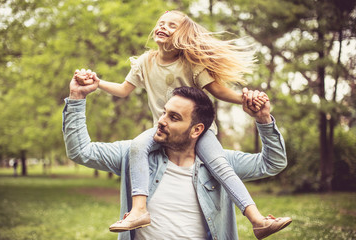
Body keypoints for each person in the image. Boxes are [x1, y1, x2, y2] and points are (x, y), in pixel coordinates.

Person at [74, 10, 287, 237]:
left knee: (221, 166)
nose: (163, 27)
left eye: (172, 25)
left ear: (183, 35)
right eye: (161, 23)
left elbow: (217, 90)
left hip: (200, 134)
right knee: (137, 146)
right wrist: (98, 83)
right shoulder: (145, 62)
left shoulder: (191, 63)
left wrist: (245, 100)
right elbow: (124, 90)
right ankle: (138, 210)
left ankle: (257, 220)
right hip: (160, 130)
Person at [63, 74, 292, 239]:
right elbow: (81, 151)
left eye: (174, 117)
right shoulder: (134, 156)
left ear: (196, 130)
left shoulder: (220, 163)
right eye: (164, 112)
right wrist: (76, 97)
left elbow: (272, 163)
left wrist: (263, 119)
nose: (161, 120)